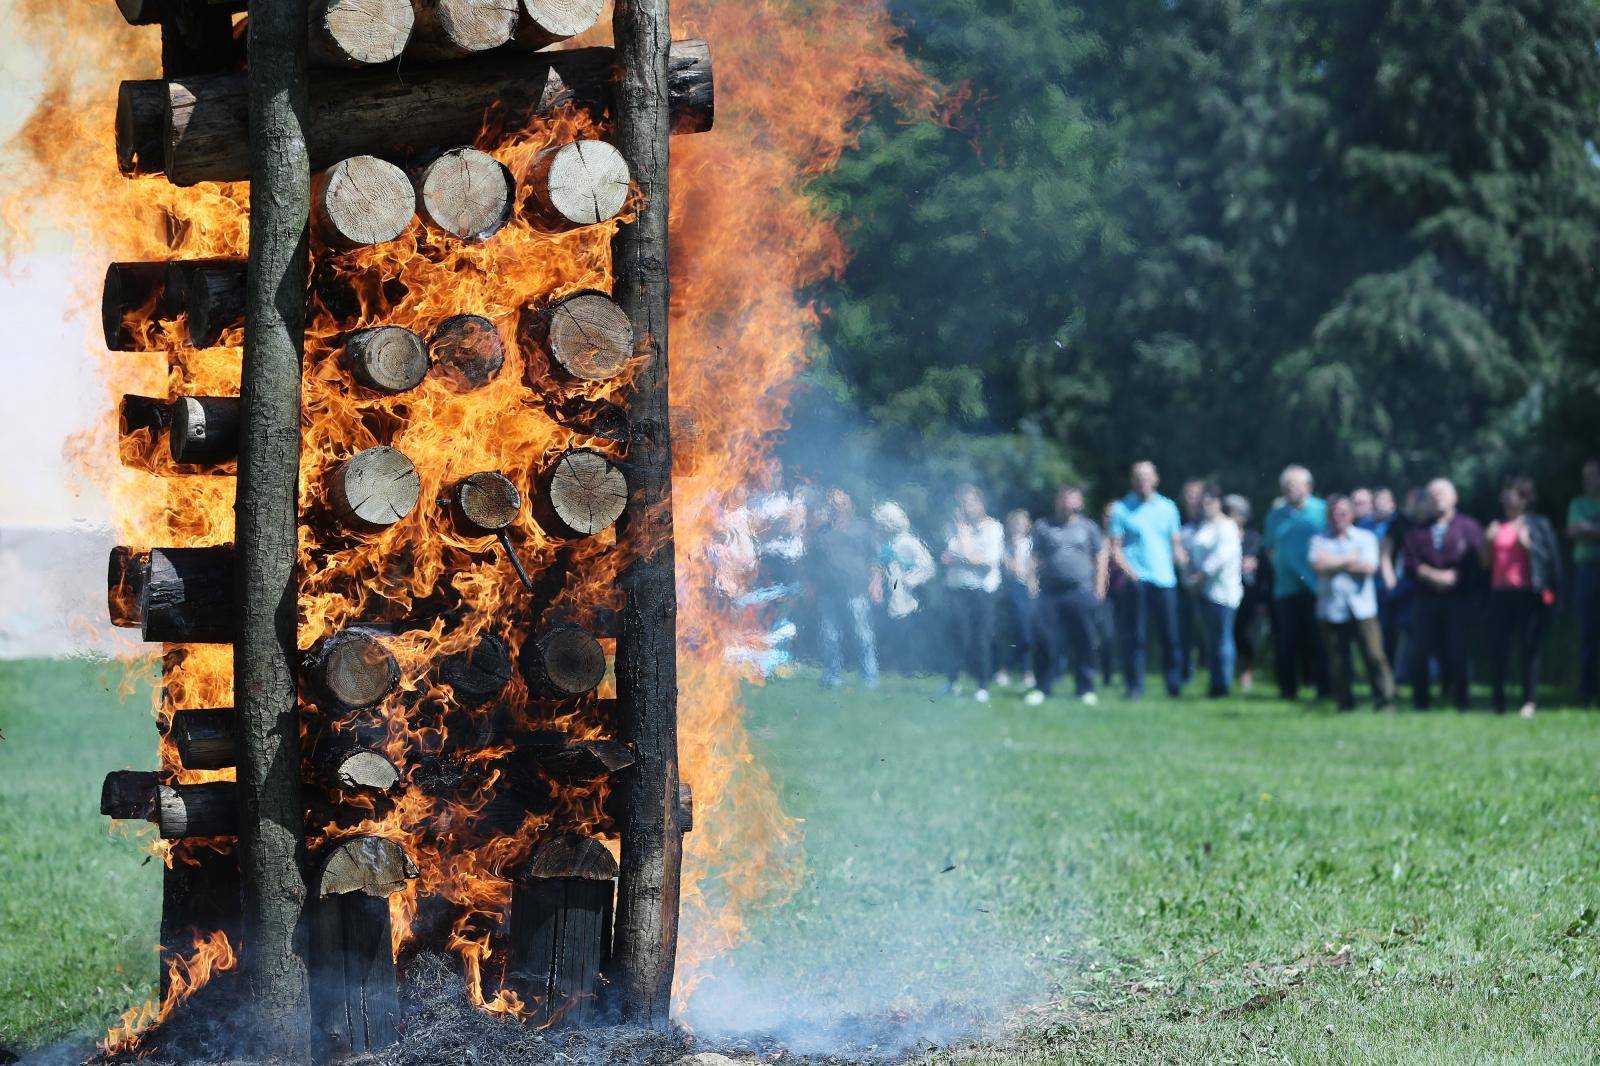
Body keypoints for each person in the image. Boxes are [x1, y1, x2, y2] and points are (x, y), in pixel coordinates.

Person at [1402, 478, 1485, 711]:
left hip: (1459, 599)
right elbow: (1409, 562)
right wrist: (1432, 575)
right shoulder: (1417, 531)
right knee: (1420, 651)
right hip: (1425, 600)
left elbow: (1478, 561)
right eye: (1432, 494)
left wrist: (1456, 576)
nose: (1437, 498)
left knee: (1459, 650)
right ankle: (1420, 702)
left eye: (1442, 493)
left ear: (1455, 497)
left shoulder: (1469, 527)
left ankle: (1461, 701)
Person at [1481, 477, 1561, 717]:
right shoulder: (1496, 526)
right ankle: (1498, 702)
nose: (1506, 498)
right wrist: (1487, 542)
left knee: (1529, 648)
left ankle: (1529, 701)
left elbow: (1550, 560)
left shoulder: (1538, 525)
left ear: (1524, 499)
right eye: (1504, 494)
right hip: (1499, 594)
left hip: (1528, 595)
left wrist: (1528, 545)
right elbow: (1484, 564)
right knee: (1498, 649)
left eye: (1511, 494)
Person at [1109, 461, 1186, 698]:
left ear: (1156, 479)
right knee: (1136, 637)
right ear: (1132, 481)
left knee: (1170, 636)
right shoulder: (1122, 508)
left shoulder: (1168, 507)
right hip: (1137, 580)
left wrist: (1188, 572)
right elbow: (1115, 548)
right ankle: (1134, 687)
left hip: (1165, 580)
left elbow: (1176, 545)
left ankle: (1173, 685)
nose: (1143, 481)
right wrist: (1131, 573)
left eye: (1147, 476)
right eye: (1138, 477)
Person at [1310, 495, 1395, 711]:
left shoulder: (1365, 538)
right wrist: (1350, 559)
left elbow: (1369, 568)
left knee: (1375, 655)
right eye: (1334, 513)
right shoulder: (1319, 539)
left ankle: (1384, 701)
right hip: (1331, 609)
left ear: (1351, 514)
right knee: (1338, 660)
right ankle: (1344, 704)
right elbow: (1318, 565)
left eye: (1343, 512)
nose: (1338, 517)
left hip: (1363, 608)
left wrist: (1333, 561)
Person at [1028, 485, 1107, 706]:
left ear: (1080, 502)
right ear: (1057, 501)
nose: (1068, 503)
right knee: (1046, 641)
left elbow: (1100, 557)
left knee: (1084, 640)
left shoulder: (1088, 527)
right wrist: (1032, 584)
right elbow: (1034, 557)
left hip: (1080, 591)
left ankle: (1086, 688)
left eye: (1073, 499)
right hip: (1049, 593)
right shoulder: (1043, 526)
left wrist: (1100, 587)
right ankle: (1042, 687)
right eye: (1064, 499)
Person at [1263, 465, 1329, 700]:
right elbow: (1269, 547)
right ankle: (1288, 689)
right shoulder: (1276, 514)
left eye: (1295, 484)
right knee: (1286, 640)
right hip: (1285, 587)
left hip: (1316, 586)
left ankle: (1324, 688)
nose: (1290, 489)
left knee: (1319, 640)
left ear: (1308, 487)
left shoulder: (1322, 511)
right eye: (1286, 485)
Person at [810, 488, 881, 689]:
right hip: (828, 592)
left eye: (841, 503)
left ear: (850, 506)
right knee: (829, 636)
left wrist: (875, 583)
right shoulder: (821, 532)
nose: (837, 506)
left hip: (856, 590)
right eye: (833, 503)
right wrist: (811, 586)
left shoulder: (862, 529)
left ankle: (870, 677)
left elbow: (874, 559)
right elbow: (813, 563)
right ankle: (833, 676)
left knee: (863, 635)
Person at [941, 484, 1005, 702]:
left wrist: (964, 550)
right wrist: (966, 553)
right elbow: (949, 556)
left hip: (983, 591)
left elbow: (986, 561)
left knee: (981, 637)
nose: (966, 507)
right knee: (957, 636)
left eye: (971, 502)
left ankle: (982, 685)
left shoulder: (993, 527)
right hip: (958, 589)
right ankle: (952, 683)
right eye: (962, 503)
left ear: (981, 503)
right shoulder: (952, 527)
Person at [1185, 486, 1242, 697]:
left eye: (1210, 501)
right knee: (1211, 640)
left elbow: (1220, 558)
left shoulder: (1227, 527)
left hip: (1223, 592)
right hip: (1205, 591)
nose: (1206, 506)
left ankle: (1223, 684)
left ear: (1219, 503)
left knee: (1223, 639)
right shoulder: (1204, 527)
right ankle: (1215, 681)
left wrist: (1199, 577)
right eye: (1204, 502)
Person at [872, 501, 935, 675]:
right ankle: (890, 665)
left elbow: (927, 566)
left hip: (907, 594)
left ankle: (908, 668)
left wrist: (908, 581)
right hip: (887, 590)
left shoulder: (908, 542)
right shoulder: (882, 542)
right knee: (890, 629)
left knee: (905, 630)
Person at [1567, 458, 1600, 707]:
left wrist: (1587, 529)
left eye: (1592, 475)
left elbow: (1581, 530)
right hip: (1586, 572)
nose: (1587, 480)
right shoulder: (1577, 503)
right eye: (1584, 475)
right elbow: (1573, 531)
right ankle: (1586, 692)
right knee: (1588, 633)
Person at [1228, 494, 1267, 692]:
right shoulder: (1222, 536)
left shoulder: (1254, 539)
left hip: (1249, 594)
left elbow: (1260, 569)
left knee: (1247, 634)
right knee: (1229, 633)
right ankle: (1231, 671)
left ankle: (1246, 672)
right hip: (1226, 592)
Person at [997, 509, 1039, 690]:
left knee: (1026, 632)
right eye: (1014, 524)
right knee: (1008, 631)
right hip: (1009, 589)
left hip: (1026, 590)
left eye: (1021, 524)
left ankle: (1027, 671)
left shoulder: (1030, 544)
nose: (1017, 528)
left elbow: (1033, 567)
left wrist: (1033, 583)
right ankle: (1003, 669)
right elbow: (1009, 568)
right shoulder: (1004, 545)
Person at [1177, 477, 1208, 685]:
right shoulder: (1180, 525)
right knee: (1184, 631)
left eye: (1197, 494)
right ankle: (1185, 670)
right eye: (1189, 494)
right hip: (1184, 585)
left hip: (1208, 586)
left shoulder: (1212, 524)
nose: (1193, 499)